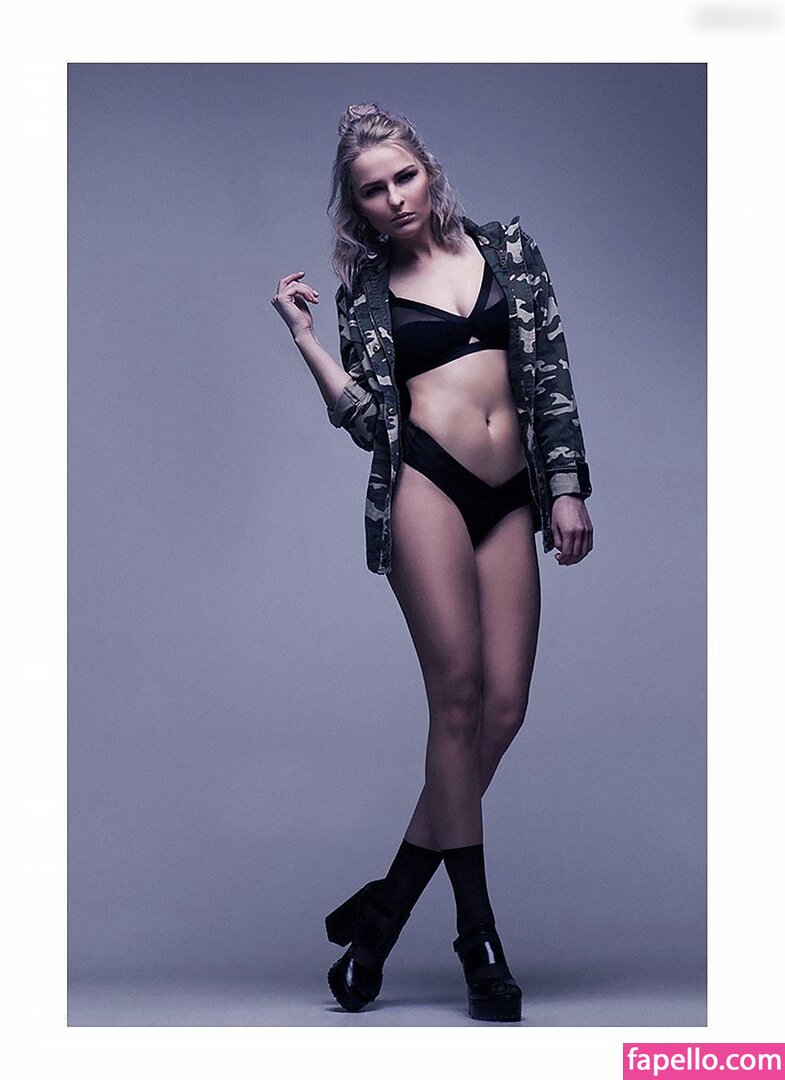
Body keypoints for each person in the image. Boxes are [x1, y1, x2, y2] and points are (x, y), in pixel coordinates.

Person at [272, 103, 594, 1023]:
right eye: (372, 191)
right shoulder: (367, 295)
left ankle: (382, 914)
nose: (394, 198)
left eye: (403, 176)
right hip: (425, 484)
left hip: (512, 491)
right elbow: (369, 422)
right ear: (357, 207)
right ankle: (476, 939)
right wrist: (304, 341)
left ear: (429, 170)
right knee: (455, 700)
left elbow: (549, 378)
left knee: (503, 708)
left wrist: (565, 485)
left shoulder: (510, 252)